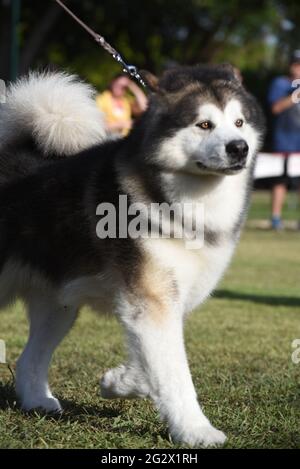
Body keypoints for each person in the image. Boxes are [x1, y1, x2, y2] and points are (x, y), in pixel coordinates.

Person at [268, 50, 300, 230]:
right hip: (284, 139)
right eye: (296, 64)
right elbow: (276, 108)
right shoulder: (280, 83)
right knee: (280, 180)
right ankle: (275, 219)